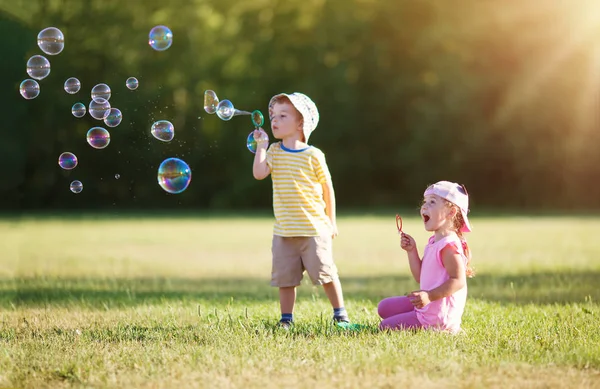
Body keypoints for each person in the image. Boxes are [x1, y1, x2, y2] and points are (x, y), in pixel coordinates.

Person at [252, 92, 349, 328]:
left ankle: (340, 315)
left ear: (300, 123)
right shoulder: (274, 151)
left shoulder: (313, 155)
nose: (274, 120)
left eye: (282, 115)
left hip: (314, 229)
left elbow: (328, 189)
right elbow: (259, 173)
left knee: (326, 273)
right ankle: (286, 320)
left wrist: (332, 222)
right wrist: (261, 147)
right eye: (273, 115)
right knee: (285, 280)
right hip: (284, 231)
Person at [378, 181, 474, 333]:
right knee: (383, 308)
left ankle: (445, 329)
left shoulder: (449, 246)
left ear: (451, 212)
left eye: (432, 202)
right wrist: (411, 251)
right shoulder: (434, 241)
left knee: (385, 327)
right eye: (425, 202)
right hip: (427, 305)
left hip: (436, 316)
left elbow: (458, 281)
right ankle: (415, 315)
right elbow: (420, 276)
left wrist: (429, 296)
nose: (424, 206)